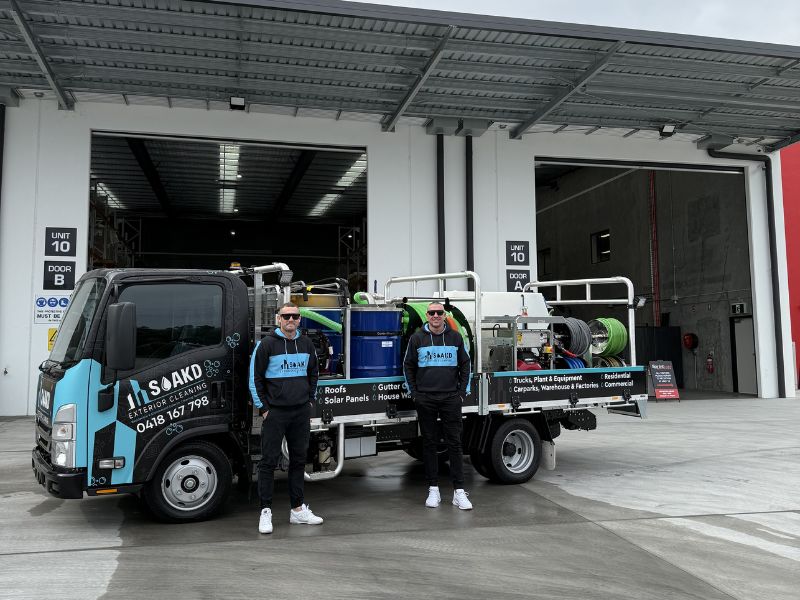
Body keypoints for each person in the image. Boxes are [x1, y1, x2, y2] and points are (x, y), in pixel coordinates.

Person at [249, 302, 323, 534]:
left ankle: (297, 510)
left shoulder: (306, 343)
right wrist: (264, 409)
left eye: (295, 316)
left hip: (300, 412)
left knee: (298, 461)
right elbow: (255, 379)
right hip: (276, 413)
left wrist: (309, 400)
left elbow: (314, 373)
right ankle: (265, 512)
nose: (291, 320)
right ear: (278, 319)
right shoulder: (266, 344)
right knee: (268, 462)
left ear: (300, 319)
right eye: (286, 316)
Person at [403, 302, 473, 510]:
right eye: (432, 312)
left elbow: (466, 364)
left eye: (439, 312)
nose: (435, 315)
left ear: (444, 315)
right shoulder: (417, 339)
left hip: (451, 398)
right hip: (426, 399)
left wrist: (461, 393)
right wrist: (415, 394)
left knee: (455, 444)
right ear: (427, 315)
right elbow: (408, 366)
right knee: (429, 443)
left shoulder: (455, 338)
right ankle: (433, 489)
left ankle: (459, 492)